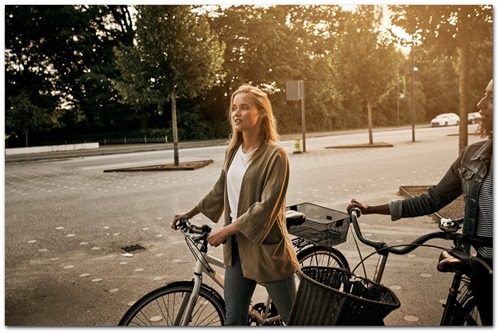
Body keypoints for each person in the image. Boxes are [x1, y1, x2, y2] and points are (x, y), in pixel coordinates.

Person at [347, 79, 493, 325]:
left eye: (491, 98)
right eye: (484, 94)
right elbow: (432, 199)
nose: (480, 104)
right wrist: (371, 209)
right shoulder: (471, 157)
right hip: (482, 267)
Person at [171, 84, 299, 325]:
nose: (236, 113)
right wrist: (190, 212)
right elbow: (219, 190)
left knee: (294, 319)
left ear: (261, 113)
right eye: (233, 108)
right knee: (233, 319)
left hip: (267, 250)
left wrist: (225, 230)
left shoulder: (276, 154)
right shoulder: (233, 152)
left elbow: (266, 206)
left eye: (244, 107)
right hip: (237, 251)